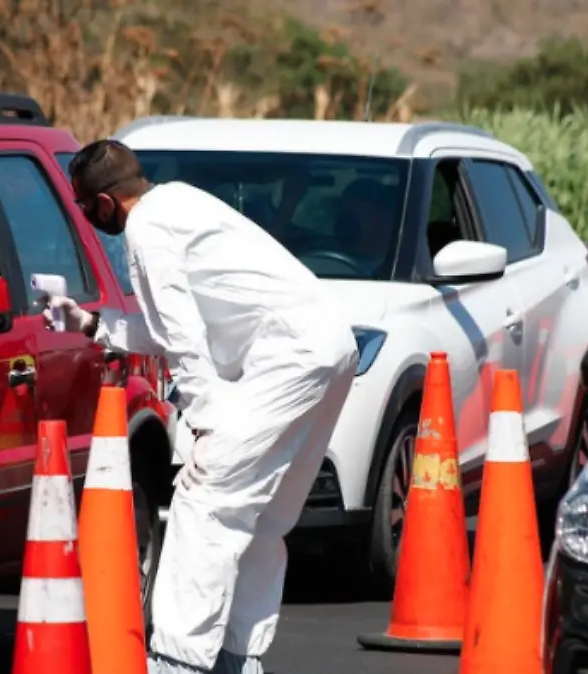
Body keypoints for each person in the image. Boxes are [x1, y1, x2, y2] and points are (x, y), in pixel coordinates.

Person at [45, 139, 358, 674]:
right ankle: (240, 659)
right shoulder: (180, 203)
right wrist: (91, 324)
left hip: (288, 357)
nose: (85, 218)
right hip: (330, 349)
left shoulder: (146, 231)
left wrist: (208, 424)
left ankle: (176, 664)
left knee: (204, 500)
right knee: (261, 517)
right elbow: (173, 326)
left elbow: (184, 335)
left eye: (81, 206)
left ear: (103, 204)